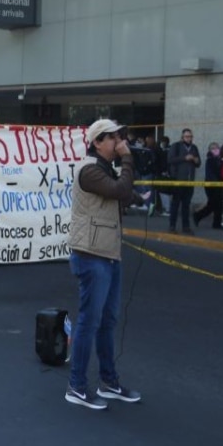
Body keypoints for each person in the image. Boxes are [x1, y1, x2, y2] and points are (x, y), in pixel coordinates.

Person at [65, 118, 141, 411]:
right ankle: (76, 385)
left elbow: (121, 192)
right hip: (91, 254)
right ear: (97, 142)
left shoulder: (105, 170)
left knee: (107, 320)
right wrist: (128, 159)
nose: (119, 141)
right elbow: (119, 190)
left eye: (120, 136)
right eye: (113, 137)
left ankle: (108, 381)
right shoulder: (89, 170)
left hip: (108, 254)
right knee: (89, 320)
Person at [166, 128, 200, 234]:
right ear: (182, 137)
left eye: (190, 136)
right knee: (175, 204)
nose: (189, 139)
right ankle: (172, 226)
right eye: (187, 136)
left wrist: (195, 160)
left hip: (190, 180)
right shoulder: (176, 146)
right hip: (178, 179)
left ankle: (186, 226)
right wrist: (184, 158)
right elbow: (170, 159)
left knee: (186, 205)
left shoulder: (194, 148)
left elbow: (198, 163)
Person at [193, 142, 223, 229]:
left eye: (217, 148)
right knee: (214, 204)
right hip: (212, 185)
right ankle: (198, 216)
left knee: (217, 204)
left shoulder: (220, 159)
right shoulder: (210, 160)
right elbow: (211, 174)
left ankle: (215, 223)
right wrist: (217, 182)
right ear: (210, 150)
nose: (216, 150)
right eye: (213, 148)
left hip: (218, 184)